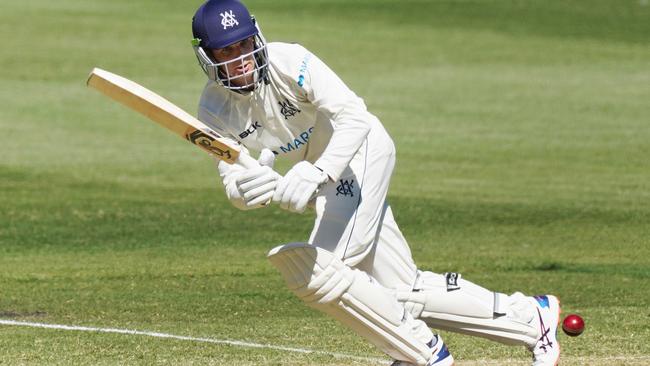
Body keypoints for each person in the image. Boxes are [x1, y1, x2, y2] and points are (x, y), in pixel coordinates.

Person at [190, 1, 561, 365]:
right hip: (326, 178)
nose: (240, 58)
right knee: (401, 290)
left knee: (320, 272)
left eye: (244, 44)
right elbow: (233, 182)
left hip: (359, 155)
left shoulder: (291, 61)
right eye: (227, 50)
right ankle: (530, 318)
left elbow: (355, 116)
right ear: (207, 57)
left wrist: (318, 172)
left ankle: (422, 352)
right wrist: (248, 190)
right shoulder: (212, 109)